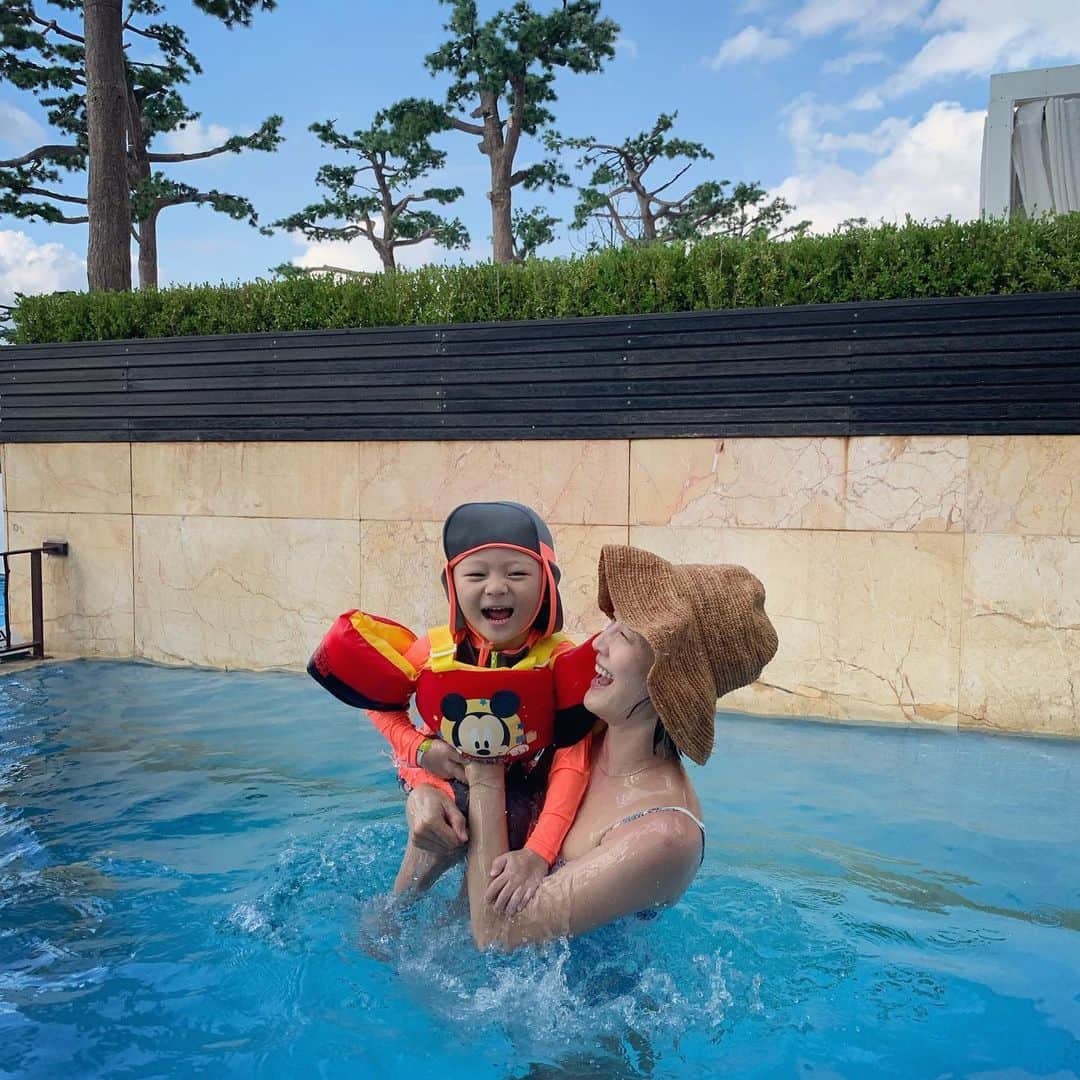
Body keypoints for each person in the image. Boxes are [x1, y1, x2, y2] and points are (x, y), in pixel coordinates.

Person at [460, 543, 779, 950]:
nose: (599, 643)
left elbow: (498, 934)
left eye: (625, 633)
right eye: (612, 623)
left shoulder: (663, 834)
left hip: (581, 1009)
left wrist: (483, 771)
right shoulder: (581, 737)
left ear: (668, 679)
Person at [308, 501, 596, 903]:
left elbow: (573, 763)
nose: (496, 587)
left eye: (517, 573)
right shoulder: (435, 650)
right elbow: (380, 704)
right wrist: (422, 752)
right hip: (444, 777)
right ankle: (391, 915)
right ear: (452, 585)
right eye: (476, 574)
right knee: (418, 870)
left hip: (522, 793)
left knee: (487, 895)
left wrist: (537, 854)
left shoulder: (559, 662)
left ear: (547, 582)